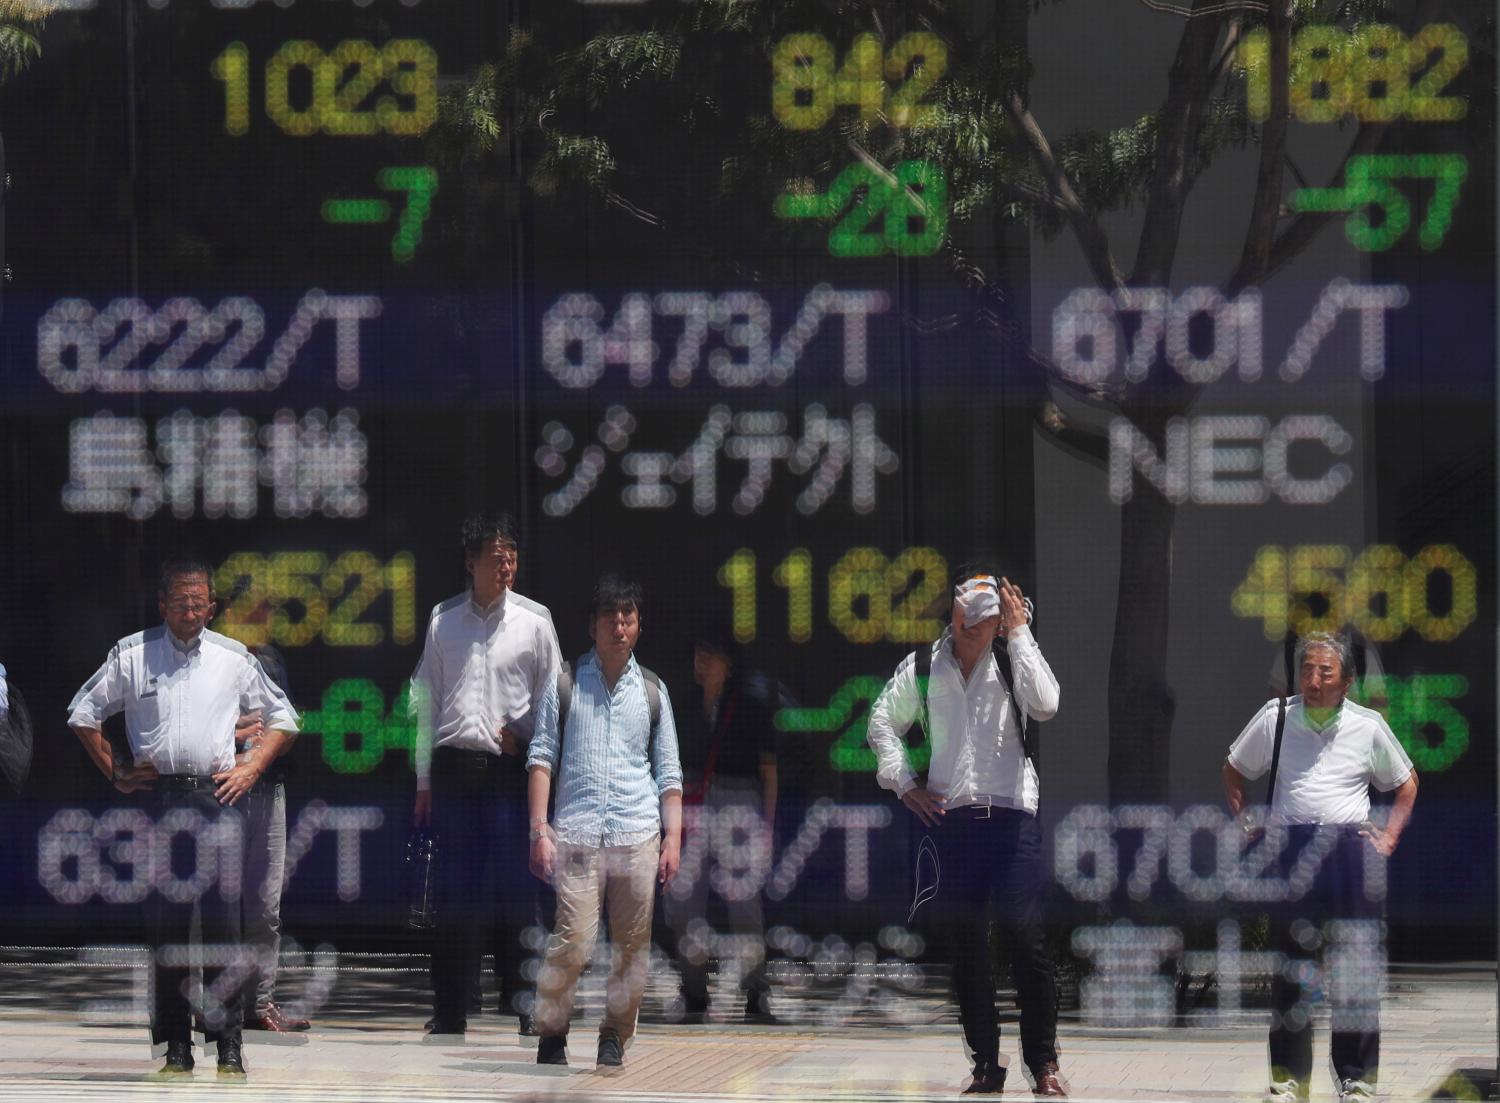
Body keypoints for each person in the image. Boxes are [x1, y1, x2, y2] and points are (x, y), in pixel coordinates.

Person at [67, 559, 299, 1081]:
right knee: (168, 932)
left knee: (224, 929)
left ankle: (230, 1047)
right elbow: (83, 712)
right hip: (159, 803)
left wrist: (252, 767)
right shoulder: (131, 653)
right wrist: (116, 772)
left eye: (199, 603)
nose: (190, 611)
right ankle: (175, 1047)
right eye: (181, 602)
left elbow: (284, 717)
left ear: (211, 607)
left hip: (216, 800)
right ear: (162, 604)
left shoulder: (232, 657)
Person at [865, 563, 1066, 1097]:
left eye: (974, 625)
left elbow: (1046, 703)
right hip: (953, 819)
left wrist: (1020, 633)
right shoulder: (927, 664)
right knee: (967, 946)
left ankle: (1043, 1063)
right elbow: (881, 721)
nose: (961, 632)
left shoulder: (1011, 656)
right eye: (957, 621)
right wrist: (905, 782)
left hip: (1013, 816)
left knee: (1027, 941)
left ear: (996, 625)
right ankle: (985, 1063)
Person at [1222, 632, 1418, 1103]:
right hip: (1292, 850)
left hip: (1349, 850)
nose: (1313, 680)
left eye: (1325, 672)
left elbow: (1406, 783)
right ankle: (1289, 1078)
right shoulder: (1277, 718)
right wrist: (1247, 819)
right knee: (1291, 970)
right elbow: (1233, 768)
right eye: (1307, 670)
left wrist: (1388, 836)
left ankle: (1357, 1078)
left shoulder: (1367, 725)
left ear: (1347, 681)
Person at [409, 512, 561, 1038]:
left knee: (519, 893)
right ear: (470, 562)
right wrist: (424, 781)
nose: (505, 567)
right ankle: (451, 1010)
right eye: (495, 558)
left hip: (508, 772)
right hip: (454, 770)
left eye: (511, 557)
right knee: (455, 897)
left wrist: (528, 739)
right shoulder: (442, 619)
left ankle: (526, 1007)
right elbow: (422, 701)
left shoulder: (535, 620)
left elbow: (555, 701)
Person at [526, 574, 683, 1069]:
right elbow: (541, 755)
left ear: (638, 626)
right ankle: (551, 1033)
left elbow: (670, 773)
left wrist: (673, 838)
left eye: (628, 618)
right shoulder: (566, 682)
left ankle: (614, 1035)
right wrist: (538, 829)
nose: (619, 626)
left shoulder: (654, 692)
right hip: (575, 833)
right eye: (610, 617)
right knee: (573, 939)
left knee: (633, 946)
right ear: (592, 625)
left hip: (638, 833)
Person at [663, 624, 778, 1022]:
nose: (701, 663)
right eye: (698, 655)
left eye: (709, 656)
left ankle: (755, 994)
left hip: (738, 800)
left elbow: (768, 770)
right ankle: (694, 990)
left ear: (727, 664)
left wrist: (767, 825)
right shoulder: (683, 701)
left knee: (744, 904)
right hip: (693, 800)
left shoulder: (749, 702)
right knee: (682, 901)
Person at [233, 641, 310, 1032]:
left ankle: (259, 1004)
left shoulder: (270, 658)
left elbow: (291, 725)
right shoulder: (209, 659)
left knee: (265, 907)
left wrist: (267, 743)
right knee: (214, 907)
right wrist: (234, 732)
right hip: (219, 792)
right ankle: (206, 1003)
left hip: (268, 790)